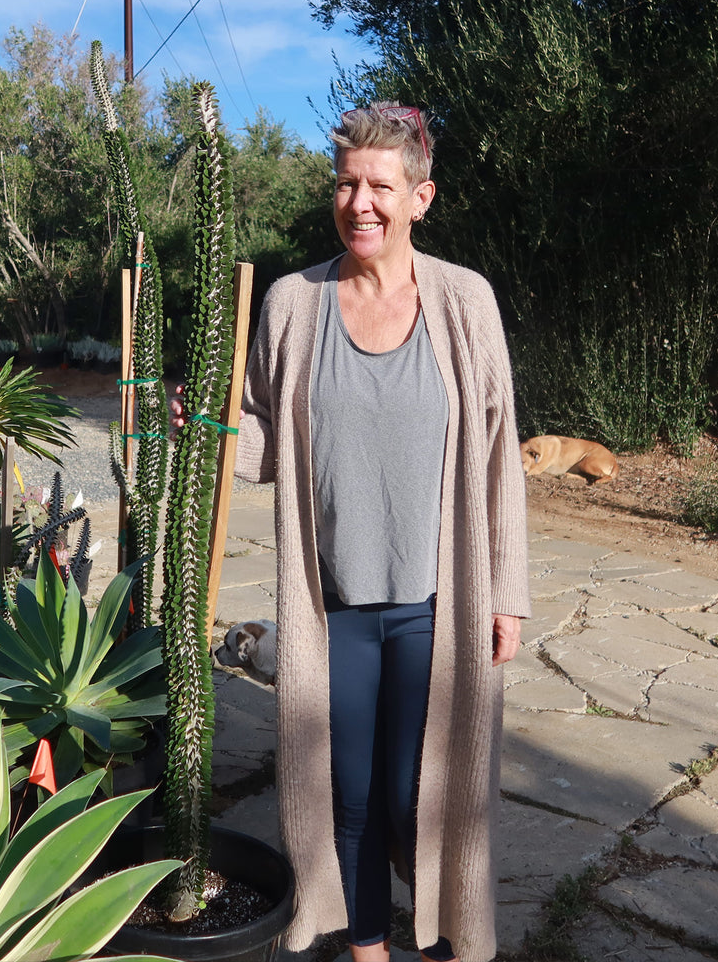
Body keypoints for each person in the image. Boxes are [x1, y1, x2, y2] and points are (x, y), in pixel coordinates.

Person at [177, 103, 529, 962]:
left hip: (437, 603)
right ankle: (367, 945)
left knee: (424, 796)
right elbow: (268, 446)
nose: (359, 201)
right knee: (352, 795)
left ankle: (447, 929)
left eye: (379, 185)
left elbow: (497, 457)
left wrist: (508, 595)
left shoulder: (465, 302)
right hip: (333, 605)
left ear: (420, 197)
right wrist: (210, 430)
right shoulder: (293, 303)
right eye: (346, 182)